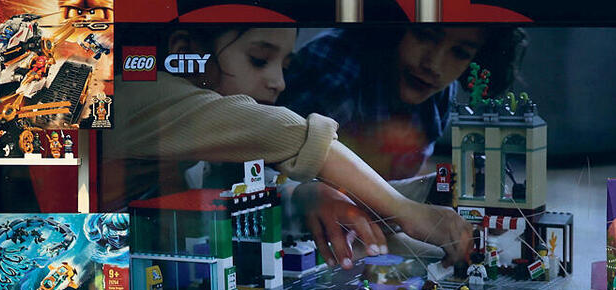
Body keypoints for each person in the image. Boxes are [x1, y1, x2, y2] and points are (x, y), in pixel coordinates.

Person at [104, 27, 472, 269]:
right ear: (185, 52)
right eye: (259, 60)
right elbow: (287, 133)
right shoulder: (138, 94)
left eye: (284, 65)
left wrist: (307, 195)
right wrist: (405, 209)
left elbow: (234, 182)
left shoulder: (198, 134)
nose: (278, 82)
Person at [278, 26, 523, 266]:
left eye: (460, 53)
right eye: (424, 36)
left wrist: (434, 192)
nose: (434, 65)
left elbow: (380, 196)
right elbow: (281, 182)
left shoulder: (437, 92)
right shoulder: (334, 66)